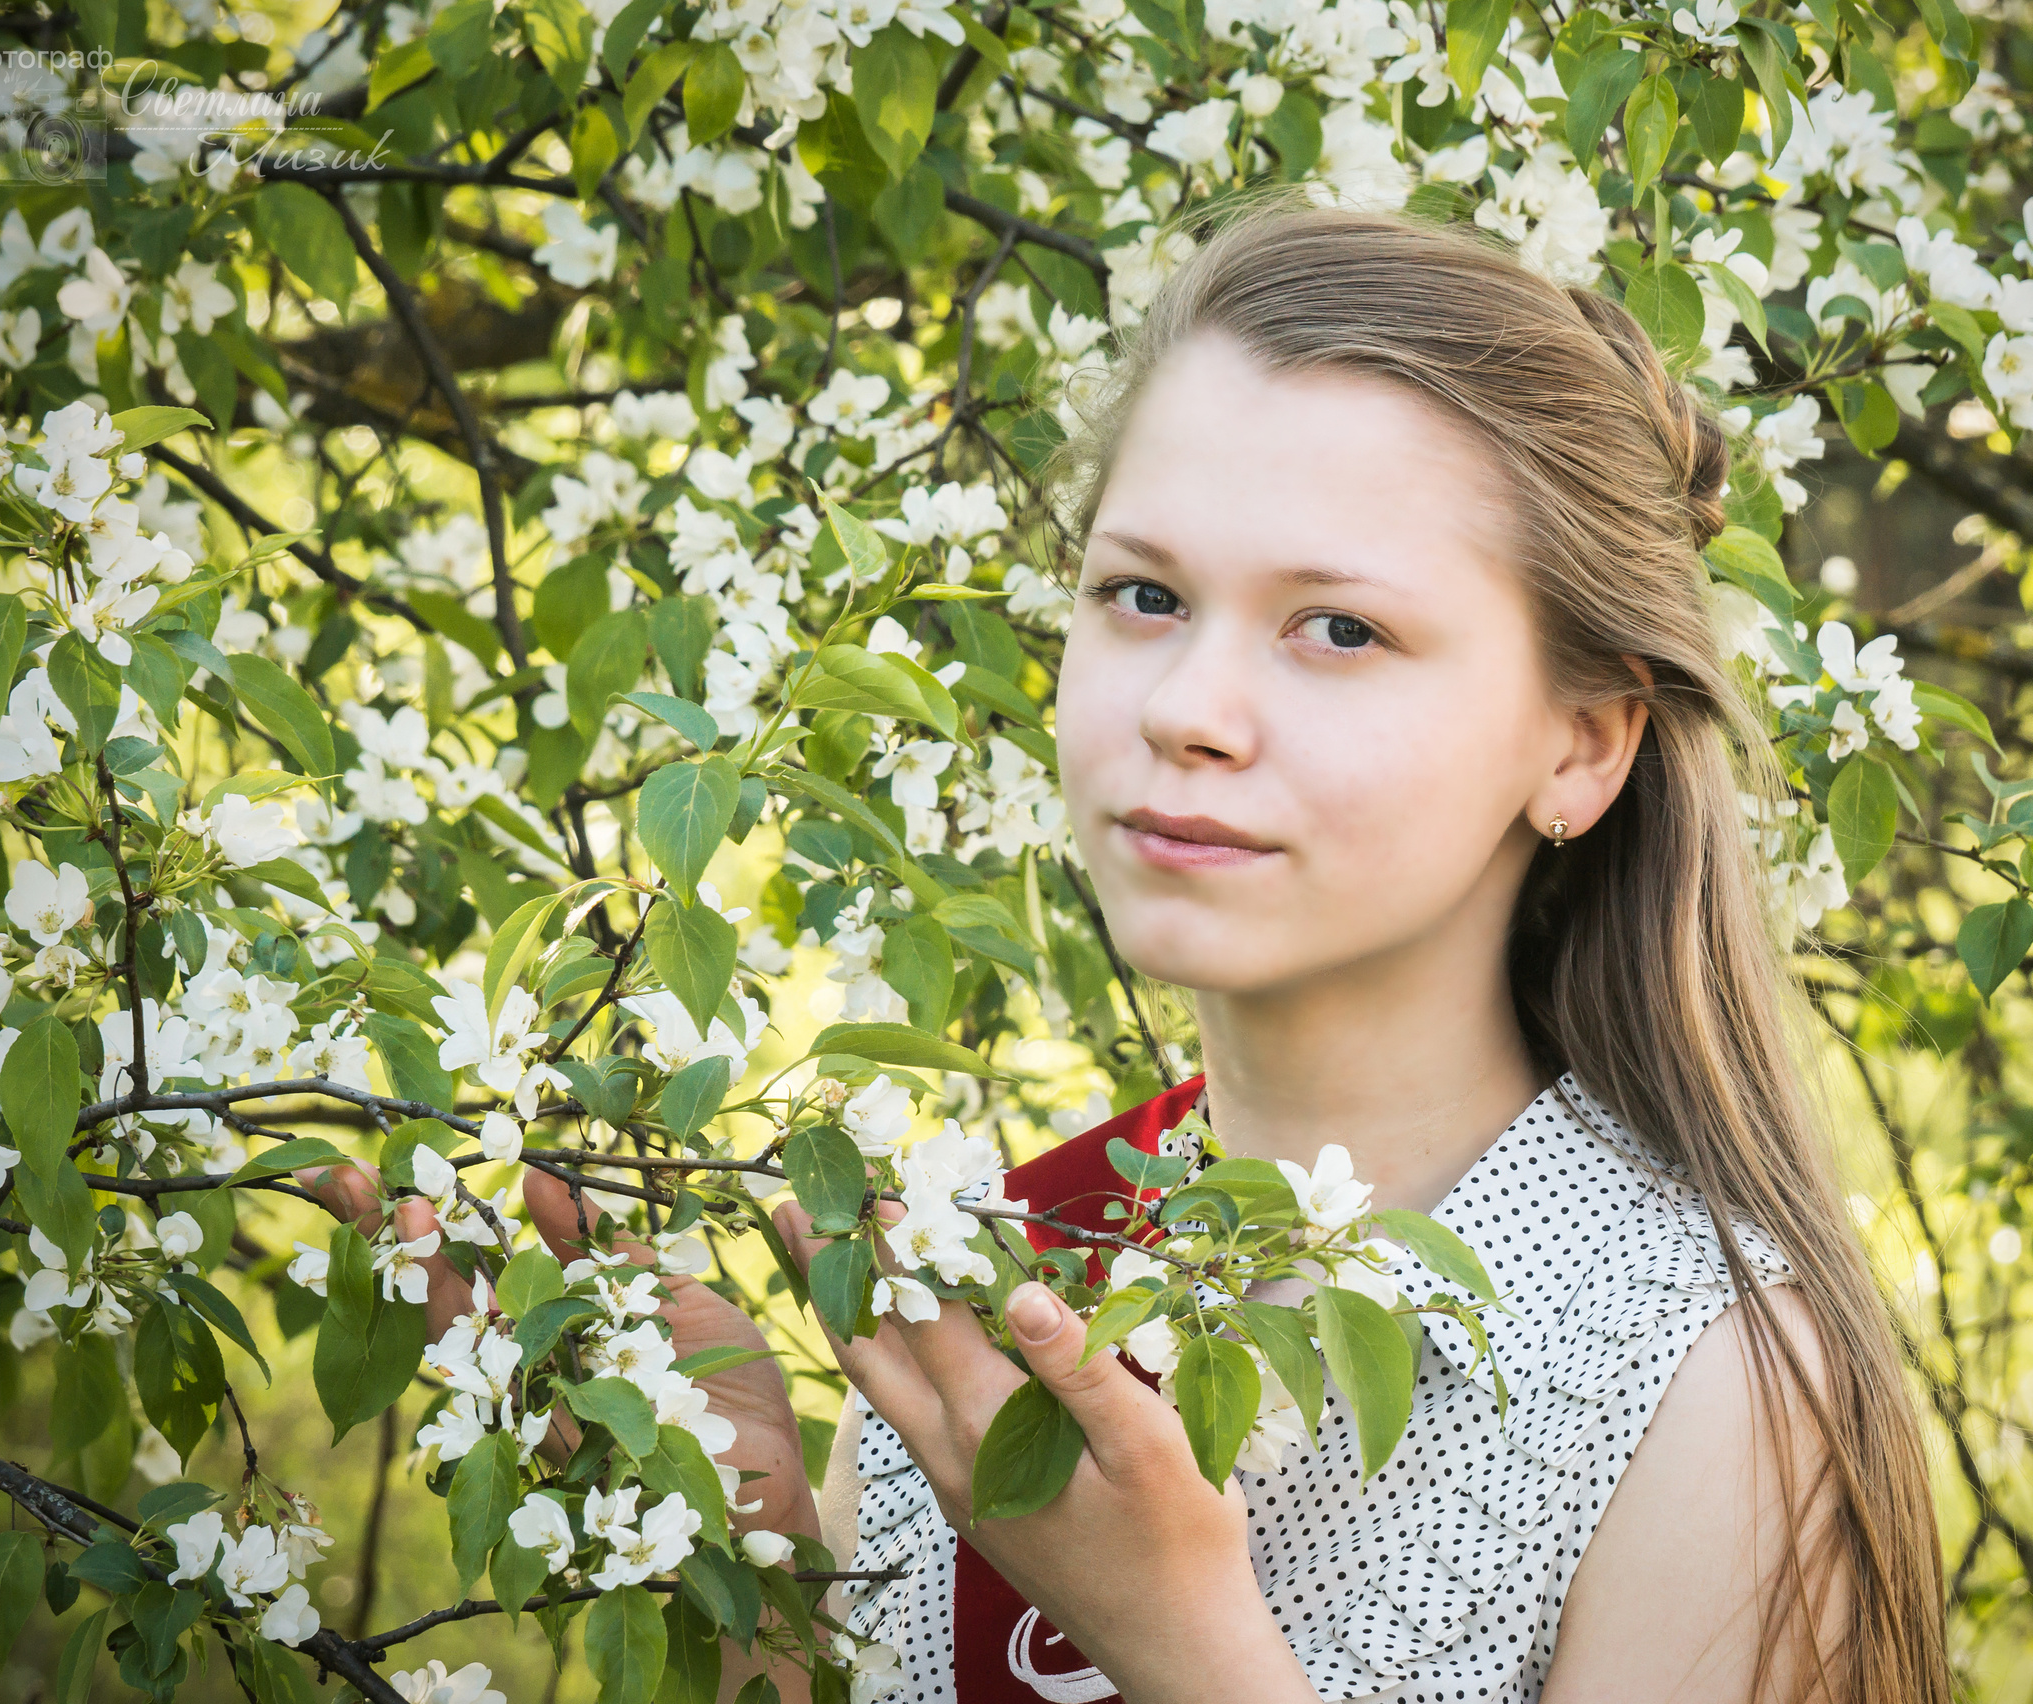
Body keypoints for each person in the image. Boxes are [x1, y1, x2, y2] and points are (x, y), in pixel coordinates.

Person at [317, 200, 1949, 1704]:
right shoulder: (1004, 1264)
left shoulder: (1702, 1361)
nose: (1184, 710)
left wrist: (1185, 1648)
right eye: (1145, 596)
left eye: (1341, 628)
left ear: (1582, 747)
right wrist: (758, 1564)